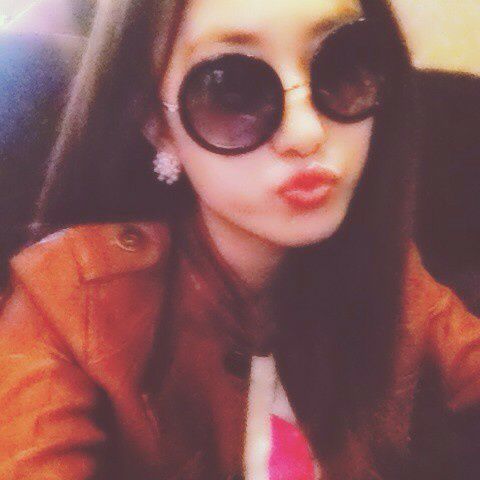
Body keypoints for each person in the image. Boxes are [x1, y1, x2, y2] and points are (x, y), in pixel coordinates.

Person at [0, 1, 479, 480]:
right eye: (233, 90)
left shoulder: (387, 270)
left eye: (341, 64)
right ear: (159, 127)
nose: (306, 133)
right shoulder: (70, 298)